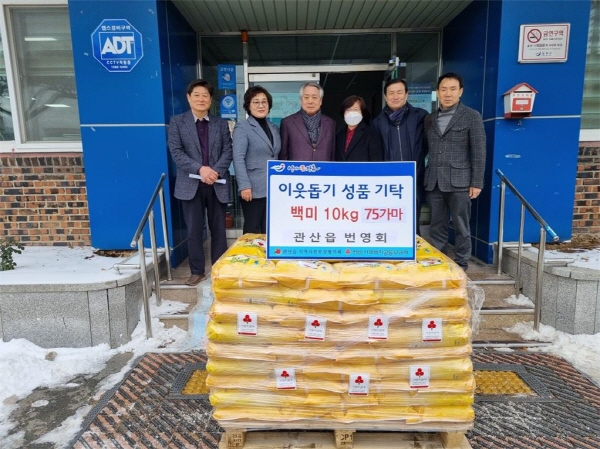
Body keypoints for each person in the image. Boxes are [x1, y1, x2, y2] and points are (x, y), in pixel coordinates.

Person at [168, 79, 233, 286]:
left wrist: (215, 171)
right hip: (190, 185)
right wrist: (200, 169)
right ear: (189, 98)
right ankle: (197, 271)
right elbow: (176, 152)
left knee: (219, 231)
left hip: (217, 183)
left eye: (205, 95)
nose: (201, 99)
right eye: (196, 95)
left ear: (210, 99)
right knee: (194, 231)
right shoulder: (178, 122)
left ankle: (219, 270)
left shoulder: (221, 124)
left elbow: (228, 150)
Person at [424, 72, 486, 270]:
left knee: (461, 225)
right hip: (433, 180)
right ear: (437, 93)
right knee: (437, 225)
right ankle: (440, 260)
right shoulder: (430, 118)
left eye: (452, 89)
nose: (448, 94)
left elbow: (478, 150)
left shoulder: (471, 116)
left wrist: (477, 182)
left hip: (460, 180)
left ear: (460, 92)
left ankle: (460, 263)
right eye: (443, 89)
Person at [371, 78, 428, 232]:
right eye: (391, 93)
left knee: (413, 218)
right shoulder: (377, 122)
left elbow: (428, 145)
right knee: (391, 217)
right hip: (389, 180)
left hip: (414, 177)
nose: (395, 96)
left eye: (399, 92)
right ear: (385, 96)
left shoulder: (421, 117)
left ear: (406, 94)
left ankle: (415, 252)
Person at [233, 86, 281, 234]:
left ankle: (266, 257)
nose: (261, 105)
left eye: (264, 102)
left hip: (272, 186)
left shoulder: (273, 127)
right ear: (248, 105)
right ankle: (249, 255)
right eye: (256, 102)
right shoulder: (243, 127)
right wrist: (244, 186)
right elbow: (238, 157)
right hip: (252, 188)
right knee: (253, 228)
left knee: (269, 227)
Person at [279, 82, 336, 161]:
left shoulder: (330, 123)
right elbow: (283, 155)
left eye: (314, 97)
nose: (310, 101)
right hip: (297, 171)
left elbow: (332, 154)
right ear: (301, 100)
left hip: (323, 171)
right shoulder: (288, 123)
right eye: (306, 97)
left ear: (320, 101)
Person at [335, 95, 383, 162]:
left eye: (355, 109)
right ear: (343, 113)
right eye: (348, 109)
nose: (351, 113)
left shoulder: (371, 134)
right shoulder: (339, 135)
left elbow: (376, 161)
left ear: (362, 113)